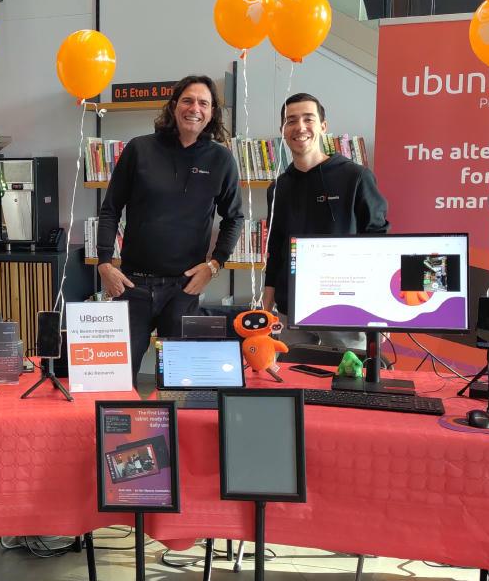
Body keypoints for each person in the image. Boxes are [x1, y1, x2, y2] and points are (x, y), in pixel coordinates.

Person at [95, 75, 244, 381]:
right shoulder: (139, 149)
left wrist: (215, 266)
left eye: (204, 103)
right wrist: (104, 263)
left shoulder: (221, 159)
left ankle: (175, 429)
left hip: (183, 288)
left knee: (181, 379)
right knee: (116, 378)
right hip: (132, 285)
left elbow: (234, 218)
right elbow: (110, 208)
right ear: (174, 106)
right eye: (188, 100)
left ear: (212, 112)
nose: (195, 108)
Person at [262, 93, 389, 350]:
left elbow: (379, 245)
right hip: (291, 312)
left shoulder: (356, 177)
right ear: (283, 130)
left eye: (308, 119)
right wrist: (266, 306)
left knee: (350, 385)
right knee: (296, 384)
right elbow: (275, 249)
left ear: (323, 126)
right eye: (291, 120)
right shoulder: (278, 188)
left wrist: (381, 311)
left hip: (344, 311)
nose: (300, 127)